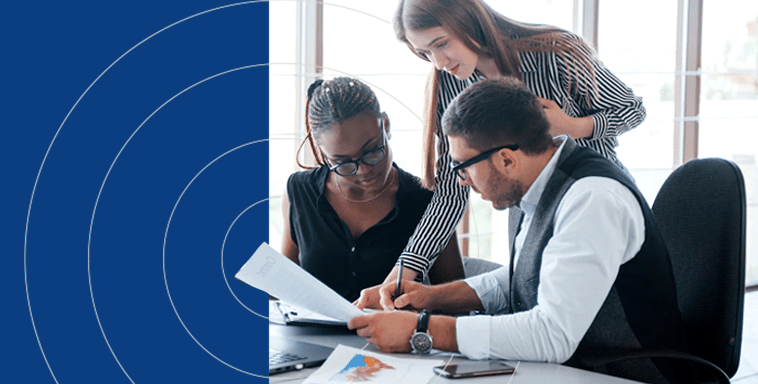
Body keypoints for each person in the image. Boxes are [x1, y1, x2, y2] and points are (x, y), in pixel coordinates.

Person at [350, 78, 694, 384]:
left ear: (506, 160)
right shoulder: (535, 184)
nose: (462, 180)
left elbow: (551, 336)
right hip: (574, 366)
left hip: (625, 372)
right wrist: (430, 297)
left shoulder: (592, 199)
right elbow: (524, 276)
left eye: (464, 167)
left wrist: (421, 330)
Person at [370, 0, 646, 307]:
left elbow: (632, 110)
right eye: (425, 53)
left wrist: (572, 126)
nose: (438, 61)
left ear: (467, 19)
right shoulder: (449, 83)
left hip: (595, 204)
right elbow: (450, 193)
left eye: (441, 44)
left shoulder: (557, 53)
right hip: (527, 209)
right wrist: (401, 275)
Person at [280, 77, 468, 303]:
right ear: (324, 153)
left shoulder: (426, 199)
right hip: (308, 337)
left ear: (385, 125)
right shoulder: (299, 192)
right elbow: (282, 288)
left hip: (394, 337)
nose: (363, 171)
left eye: (371, 151)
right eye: (343, 163)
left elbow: (456, 303)